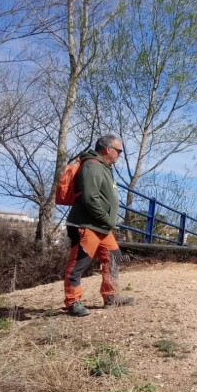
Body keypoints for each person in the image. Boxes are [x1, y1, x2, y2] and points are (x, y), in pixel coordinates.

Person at [63, 134, 136, 316]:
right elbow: (90, 197)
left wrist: (106, 221)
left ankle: (110, 297)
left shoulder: (104, 167)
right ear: (108, 149)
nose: (120, 154)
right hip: (86, 224)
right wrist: (107, 218)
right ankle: (73, 303)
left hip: (100, 226)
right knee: (79, 263)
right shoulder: (92, 166)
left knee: (113, 257)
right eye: (119, 151)